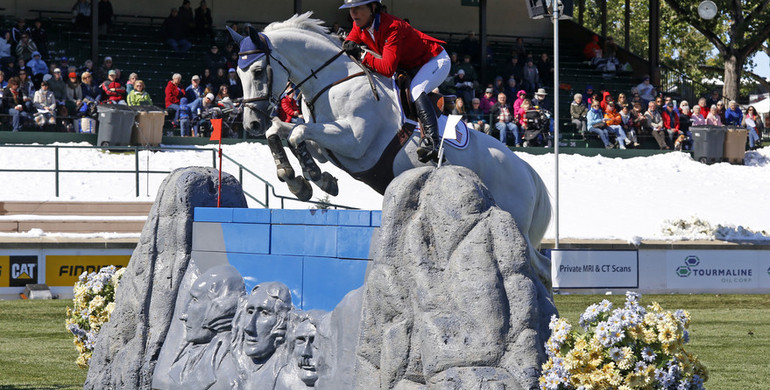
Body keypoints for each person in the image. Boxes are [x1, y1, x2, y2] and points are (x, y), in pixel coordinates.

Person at [341, 0, 450, 163]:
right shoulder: (359, 26)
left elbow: (386, 69)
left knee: (415, 90)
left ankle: (432, 142)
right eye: (351, 9)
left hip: (434, 61)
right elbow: (348, 47)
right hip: (410, 65)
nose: (353, 13)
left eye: (358, 8)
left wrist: (362, 54)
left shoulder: (392, 26)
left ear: (372, 8)